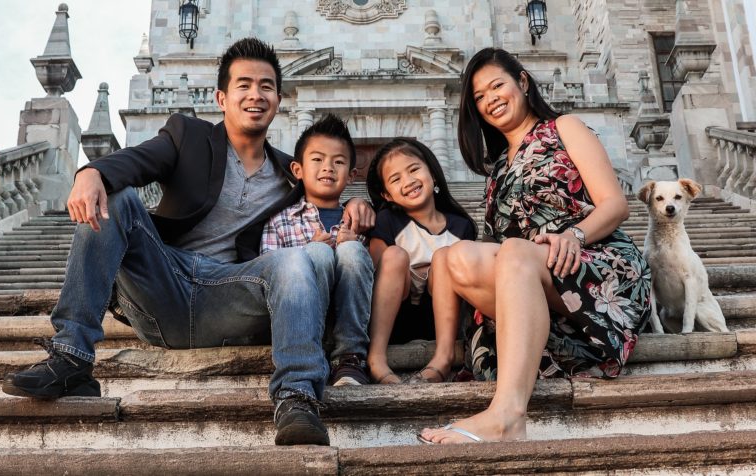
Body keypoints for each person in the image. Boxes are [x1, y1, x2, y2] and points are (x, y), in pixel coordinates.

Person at [1, 37, 374, 447]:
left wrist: (355, 201)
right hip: (165, 285)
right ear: (221, 97)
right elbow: (138, 160)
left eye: (266, 86)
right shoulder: (188, 136)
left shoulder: (293, 171)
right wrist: (91, 173)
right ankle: (71, 354)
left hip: (231, 294)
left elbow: (328, 182)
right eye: (244, 85)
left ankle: (297, 396)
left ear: (279, 100)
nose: (255, 94)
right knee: (119, 197)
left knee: (294, 261)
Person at [418, 48, 651, 444]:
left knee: (514, 251)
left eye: (497, 85)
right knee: (453, 257)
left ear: (522, 82)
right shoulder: (498, 169)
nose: (490, 99)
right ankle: (527, 341)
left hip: (597, 264)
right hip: (536, 278)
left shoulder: (565, 128)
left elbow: (615, 204)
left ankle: (508, 415)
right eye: (479, 96)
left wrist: (573, 235)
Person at [260, 113, 373, 386]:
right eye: (318, 159)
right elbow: (268, 276)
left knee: (353, 252)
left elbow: (371, 279)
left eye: (339, 162)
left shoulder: (359, 221)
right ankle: (310, 353)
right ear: (298, 170)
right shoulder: (280, 220)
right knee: (317, 254)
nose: (328, 168)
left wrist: (354, 243)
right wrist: (308, 252)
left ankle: (350, 358)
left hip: (350, 317)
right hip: (301, 320)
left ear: (352, 175)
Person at [365, 138, 477, 385]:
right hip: (396, 319)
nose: (408, 181)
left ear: (433, 175)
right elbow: (374, 274)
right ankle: (376, 357)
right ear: (387, 195)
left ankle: (444, 357)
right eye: (395, 179)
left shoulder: (462, 226)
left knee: (445, 257)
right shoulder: (386, 221)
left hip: (442, 320)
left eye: (414, 169)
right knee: (395, 255)